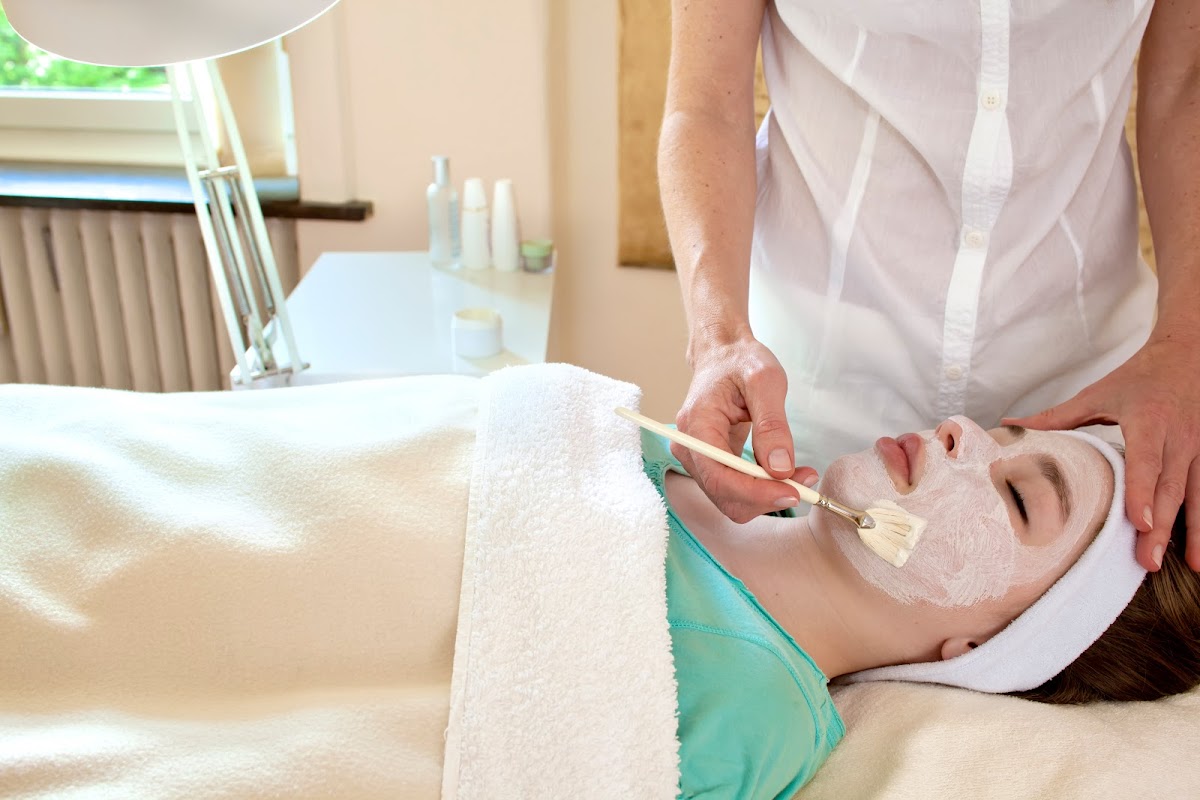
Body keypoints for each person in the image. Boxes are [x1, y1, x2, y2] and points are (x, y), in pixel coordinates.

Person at [658, 0, 1200, 575]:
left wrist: (1188, 342)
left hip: (1088, 396)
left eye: (1020, 501)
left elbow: (1186, 83)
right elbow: (704, 102)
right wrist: (719, 337)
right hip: (807, 382)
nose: (959, 438)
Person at [647, 414, 1200, 795]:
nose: (961, 429)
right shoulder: (713, 455)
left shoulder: (746, 722)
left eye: (1018, 496)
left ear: (984, 649)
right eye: (1000, 435)